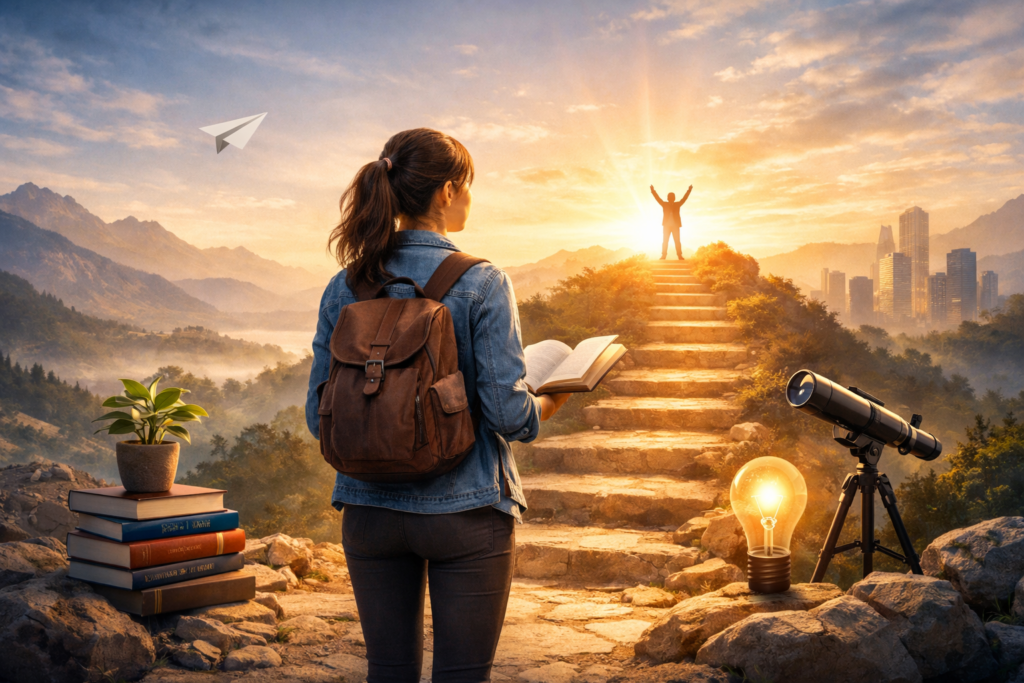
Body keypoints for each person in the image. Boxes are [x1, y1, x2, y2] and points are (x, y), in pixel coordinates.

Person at [305, 128, 572, 683]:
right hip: (465, 512)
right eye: (467, 186)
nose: (470, 197)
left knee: (389, 672)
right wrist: (549, 402)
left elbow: (318, 415)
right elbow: (507, 415)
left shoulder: (344, 286)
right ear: (448, 191)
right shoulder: (483, 282)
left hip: (368, 512)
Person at [650, 184, 692, 259]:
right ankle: (664, 255)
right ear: (668, 198)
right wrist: (653, 191)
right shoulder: (664, 204)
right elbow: (657, 198)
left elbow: (684, 198)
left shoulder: (677, 204)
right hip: (666, 226)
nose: (671, 198)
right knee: (665, 241)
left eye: (672, 197)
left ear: (674, 198)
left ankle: (679, 255)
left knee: (677, 241)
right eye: (670, 197)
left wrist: (689, 190)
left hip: (675, 226)